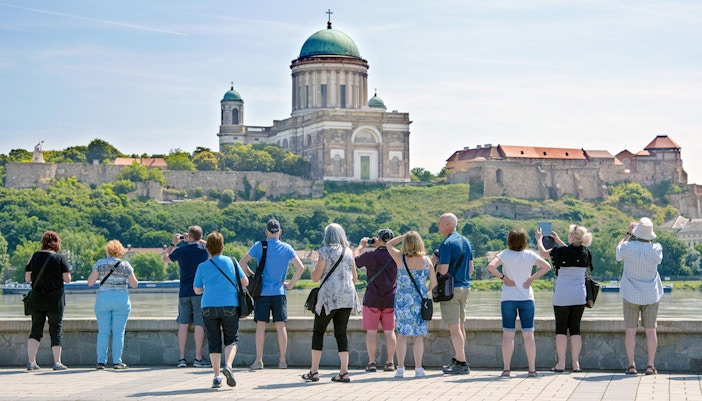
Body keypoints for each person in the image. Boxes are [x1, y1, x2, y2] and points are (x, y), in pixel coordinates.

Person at [239, 219, 305, 370]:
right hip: (279, 292)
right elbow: (300, 268)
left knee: (261, 326)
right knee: (280, 325)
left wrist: (253, 275)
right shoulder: (287, 248)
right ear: (280, 232)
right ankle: (282, 361)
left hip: (262, 292)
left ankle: (258, 361)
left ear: (266, 232)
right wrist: (290, 284)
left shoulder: (259, 246)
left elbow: (242, 263)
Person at [487, 228, 552, 378]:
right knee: (529, 335)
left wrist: (504, 278)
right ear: (524, 241)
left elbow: (491, 267)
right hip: (526, 298)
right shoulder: (529, 255)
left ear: (509, 240)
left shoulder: (504, 254)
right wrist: (531, 279)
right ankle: (532, 369)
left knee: (508, 335)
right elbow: (547, 267)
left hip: (508, 298)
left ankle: (506, 369)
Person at [302, 223, 361, 383]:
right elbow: (355, 279)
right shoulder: (349, 252)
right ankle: (344, 372)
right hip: (348, 296)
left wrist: (316, 265)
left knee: (318, 332)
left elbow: (315, 278)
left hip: (329, 297)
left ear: (327, 236)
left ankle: (314, 371)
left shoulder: (324, 252)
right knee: (341, 333)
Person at [193, 232, 249, 388]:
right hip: (230, 305)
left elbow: (197, 290)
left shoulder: (202, 266)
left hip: (208, 306)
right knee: (231, 338)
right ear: (222, 246)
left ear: (207, 248)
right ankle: (229, 366)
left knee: (214, 341)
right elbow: (245, 282)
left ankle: (217, 377)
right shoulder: (232, 261)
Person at [536, 224, 593, 373]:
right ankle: (576, 364)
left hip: (562, 295)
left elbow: (543, 253)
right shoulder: (585, 252)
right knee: (575, 330)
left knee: (561, 330)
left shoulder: (560, 251)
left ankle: (561, 364)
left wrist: (539, 239)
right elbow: (571, 252)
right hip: (579, 296)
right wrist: (559, 240)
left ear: (573, 238)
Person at [385, 231, 437, 378]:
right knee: (418, 336)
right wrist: (423, 290)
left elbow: (388, 244)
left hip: (402, 302)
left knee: (402, 335)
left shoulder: (400, 258)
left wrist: (403, 236)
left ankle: (400, 368)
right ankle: (418, 369)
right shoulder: (427, 261)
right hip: (419, 302)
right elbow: (434, 283)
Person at [616, 217, 664, 375]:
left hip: (630, 294)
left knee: (630, 331)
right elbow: (658, 260)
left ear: (636, 231)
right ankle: (650, 366)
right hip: (651, 295)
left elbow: (618, 251)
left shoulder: (627, 247)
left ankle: (631, 365)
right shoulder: (656, 248)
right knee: (651, 331)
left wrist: (628, 233)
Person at [163, 225, 211, 368]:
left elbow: (165, 259)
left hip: (184, 292)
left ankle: (182, 359)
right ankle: (198, 358)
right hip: (199, 292)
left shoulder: (181, 250)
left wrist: (173, 243)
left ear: (188, 237)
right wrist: (198, 240)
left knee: (183, 325)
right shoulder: (204, 251)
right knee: (199, 324)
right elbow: (214, 247)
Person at [87, 240, 139, 369]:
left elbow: (90, 282)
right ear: (120, 251)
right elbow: (134, 284)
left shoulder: (100, 263)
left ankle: (101, 362)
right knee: (118, 332)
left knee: (103, 332)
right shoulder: (126, 265)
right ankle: (117, 361)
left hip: (103, 299)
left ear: (107, 250)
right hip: (121, 300)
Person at [25, 231, 72, 371]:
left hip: (37, 299)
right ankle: (57, 362)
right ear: (57, 243)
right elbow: (67, 279)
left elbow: (28, 279)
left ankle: (31, 362)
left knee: (36, 329)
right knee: (56, 329)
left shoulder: (34, 256)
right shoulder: (60, 258)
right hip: (55, 299)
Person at [354, 228, 398, 373]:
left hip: (372, 298)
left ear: (378, 239)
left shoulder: (370, 255)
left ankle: (372, 362)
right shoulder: (396, 256)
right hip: (390, 299)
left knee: (371, 332)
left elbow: (355, 261)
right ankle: (390, 362)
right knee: (389, 332)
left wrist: (361, 246)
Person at [434, 212, 474, 374]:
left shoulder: (446, 244)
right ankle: (459, 358)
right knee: (461, 326)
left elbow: (443, 270)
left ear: (448, 224)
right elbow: (471, 268)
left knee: (454, 328)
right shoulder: (466, 241)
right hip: (465, 287)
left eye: (440, 223)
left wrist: (435, 265)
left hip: (451, 290)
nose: (438, 225)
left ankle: (462, 363)